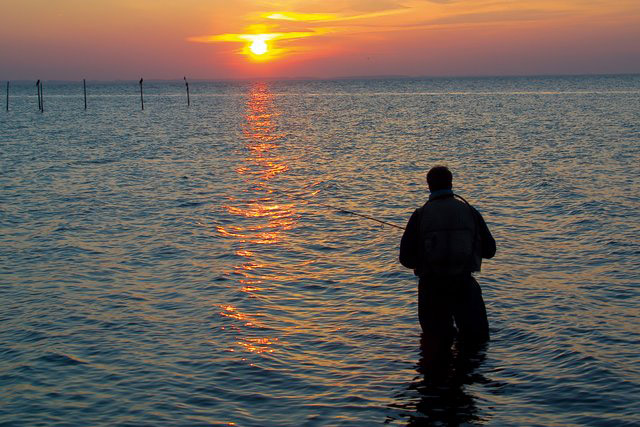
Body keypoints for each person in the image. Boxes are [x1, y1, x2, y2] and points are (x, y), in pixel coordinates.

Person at [399, 166, 496, 348]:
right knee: (475, 346)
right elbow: (490, 250)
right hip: (465, 287)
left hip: (432, 289)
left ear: (429, 186)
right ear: (451, 183)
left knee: (436, 348)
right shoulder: (471, 212)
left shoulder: (420, 215)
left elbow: (405, 258)